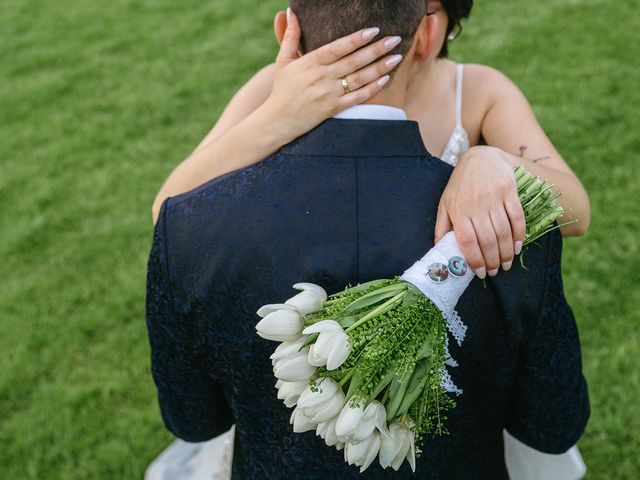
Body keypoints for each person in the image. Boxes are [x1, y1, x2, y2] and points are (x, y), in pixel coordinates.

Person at [145, 1, 589, 478]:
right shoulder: (278, 89)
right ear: (424, 29)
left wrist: (492, 159)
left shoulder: (475, 89)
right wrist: (280, 114)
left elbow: (575, 208)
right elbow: (176, 211)